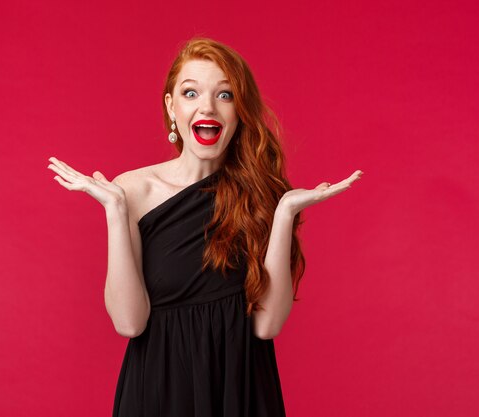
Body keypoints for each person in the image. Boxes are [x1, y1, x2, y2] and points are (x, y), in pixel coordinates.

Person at [47, 37, 362, 417]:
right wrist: (114, 209)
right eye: (191, 92)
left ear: (239, 111)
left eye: (225, 95)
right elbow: (129, 322)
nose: (207, 106)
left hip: (241, 390)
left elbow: (267, 325)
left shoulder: (261, 195)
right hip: (159, 392)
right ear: (172, 107)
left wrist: (284, 212)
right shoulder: (131, 190)